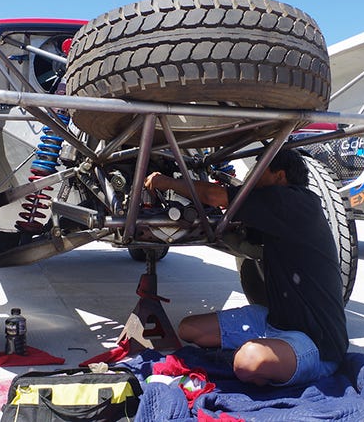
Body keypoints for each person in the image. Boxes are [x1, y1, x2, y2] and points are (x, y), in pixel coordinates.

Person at [144, 148, 348, 387]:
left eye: (259, 172)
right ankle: (265, 352)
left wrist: (163, 181)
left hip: (315, 344)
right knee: (189, 329)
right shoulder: (281, 210)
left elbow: (213, 195)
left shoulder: (293, 201)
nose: (251, 178)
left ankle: (263, 356)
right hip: (275, 321)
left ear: (279, 176)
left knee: (247, 362)